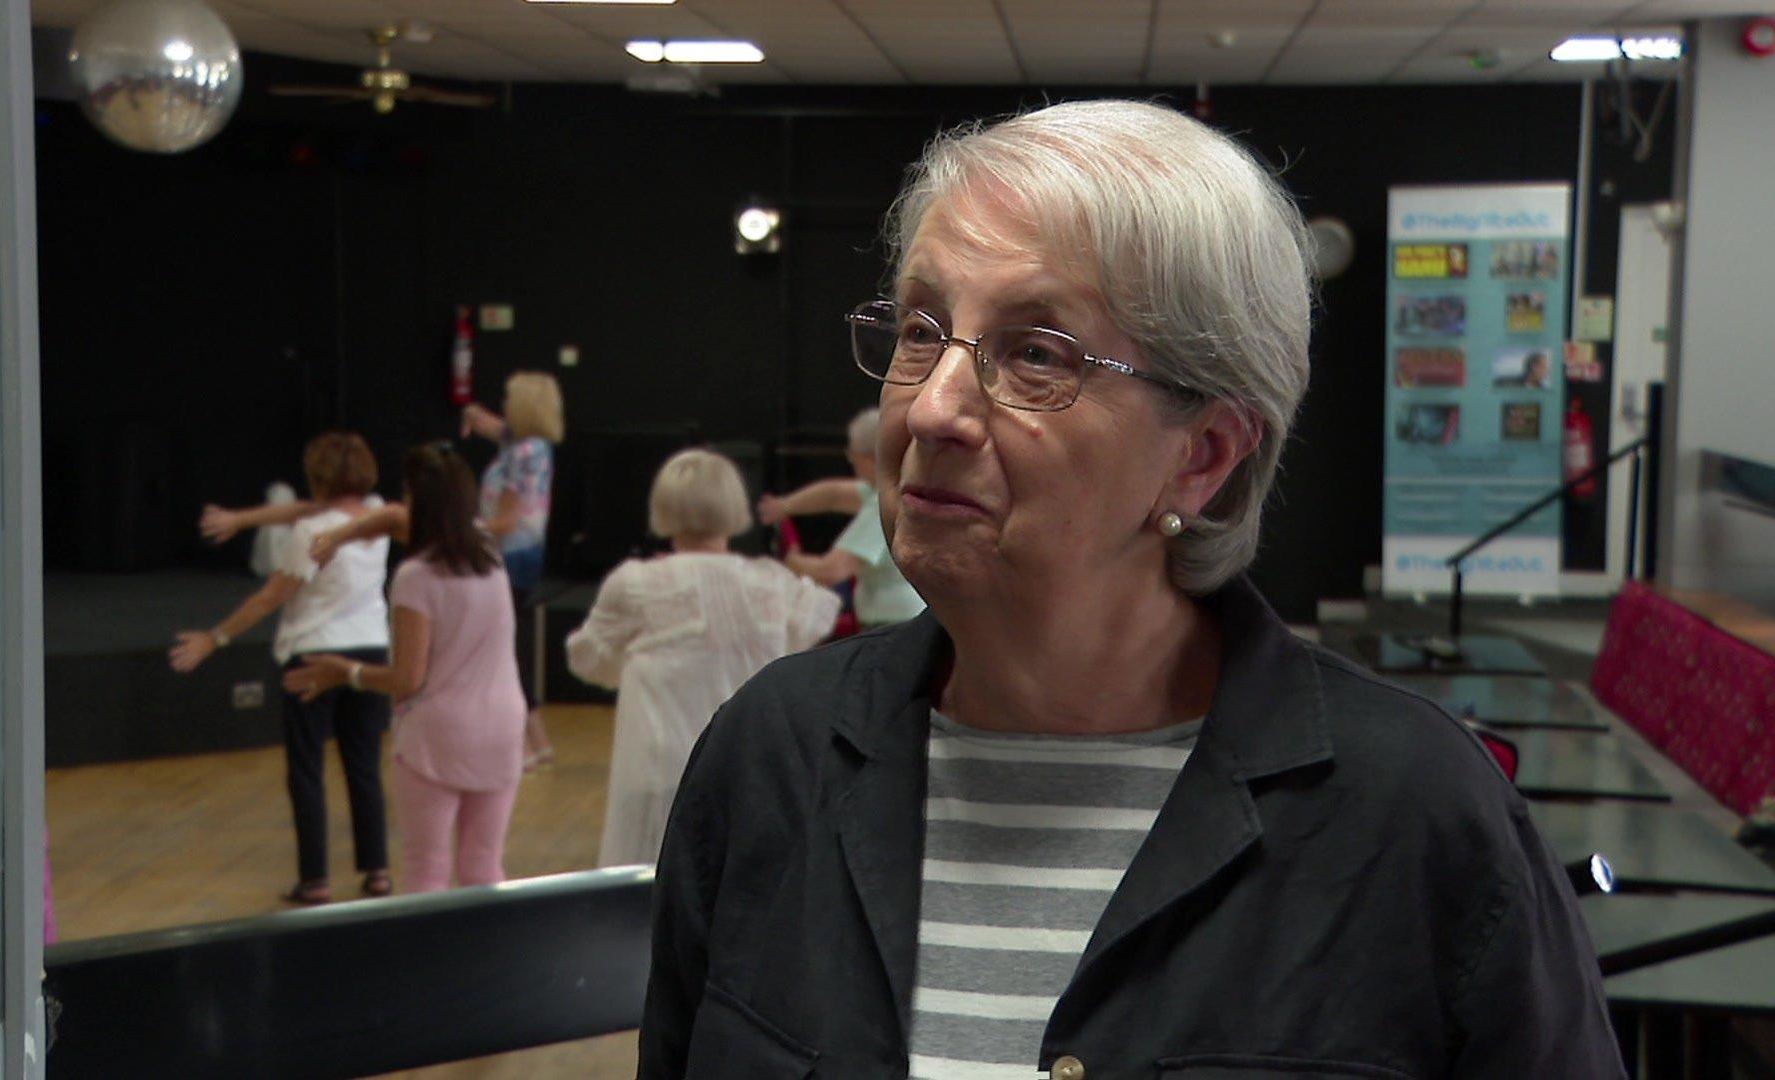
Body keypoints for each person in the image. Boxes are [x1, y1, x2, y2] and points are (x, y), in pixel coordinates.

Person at [640, 101, 1620, 1078]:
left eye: (1036, 353)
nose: (933, 407)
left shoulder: (1416, 817)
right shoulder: (771, 756)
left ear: (1202, 457)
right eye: (921, 329)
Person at [566, 449, 839, 867]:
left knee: (647, 899)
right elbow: (812, 627)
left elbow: (587, 658)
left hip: (661, 772)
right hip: (752, 769)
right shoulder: (772, 583)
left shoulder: (636, 584)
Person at [284, 443, 527, 893]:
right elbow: (393, 519)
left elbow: (407, 678)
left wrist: (346, 671)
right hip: (503, 728)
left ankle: (430, 961)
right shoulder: (490, 557)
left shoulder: (417, 576)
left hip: (437, 736)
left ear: (418, 502)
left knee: (426, 869)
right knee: (484, 868)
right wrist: (343, 535)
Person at [171, 431, 393, 906]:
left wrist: (215, 638)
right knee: (364, 766)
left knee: (306, 769)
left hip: (313, 655)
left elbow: (270, 596)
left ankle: (316, 879)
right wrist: (244, 518)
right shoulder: (378, 514)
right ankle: (377, 871)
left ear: (318, 476)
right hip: (371, 652)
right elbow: (304, 510)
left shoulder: (312, 535)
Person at [462, 371, 564, 770]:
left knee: (502, 652)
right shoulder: (528, 444)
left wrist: (453, 529)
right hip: (518, 558)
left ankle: (522, 744)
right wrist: (473, 412)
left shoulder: (523, 455)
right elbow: (493, 427)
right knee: (507, 648)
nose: (502, 405)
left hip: (510, 558)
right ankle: (536, 741)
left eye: (508, 398)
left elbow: (504, 521)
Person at [759, 407, 925, 630]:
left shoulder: (882, 505)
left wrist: (790, 560)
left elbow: (831, 571)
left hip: (892, 623)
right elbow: (834, 494)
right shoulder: (899, 487)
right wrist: (783, 506)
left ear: (866, 457)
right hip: (904, 618)